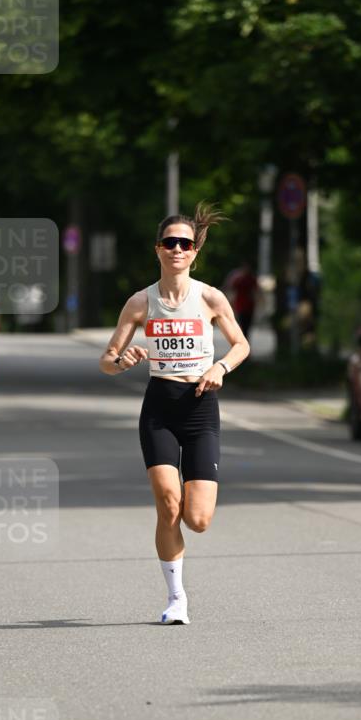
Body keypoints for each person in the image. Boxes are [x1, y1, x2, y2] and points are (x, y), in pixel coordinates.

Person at [100, 202, 250, 625]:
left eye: (185, 243)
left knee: (197, 519)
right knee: (168, 505)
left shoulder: (210, 298)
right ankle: (176, 598)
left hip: (201, 408)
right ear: (159, 250)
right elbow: (106, 361)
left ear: (194, 252)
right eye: (171, 242)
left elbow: (241, 345)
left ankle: (182, 558)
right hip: (160, 410)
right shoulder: (139, 303)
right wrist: (122, 360)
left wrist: (220, 367)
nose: (178, 249)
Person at [223, 261, 258, 341]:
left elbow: (255, 292)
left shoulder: (251, 279)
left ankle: (245, 343)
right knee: (241, 325)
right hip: (240, 306)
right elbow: (231, 289)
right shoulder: (239, 279)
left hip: (249, 306)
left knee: (247, 327)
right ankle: (242, 342)